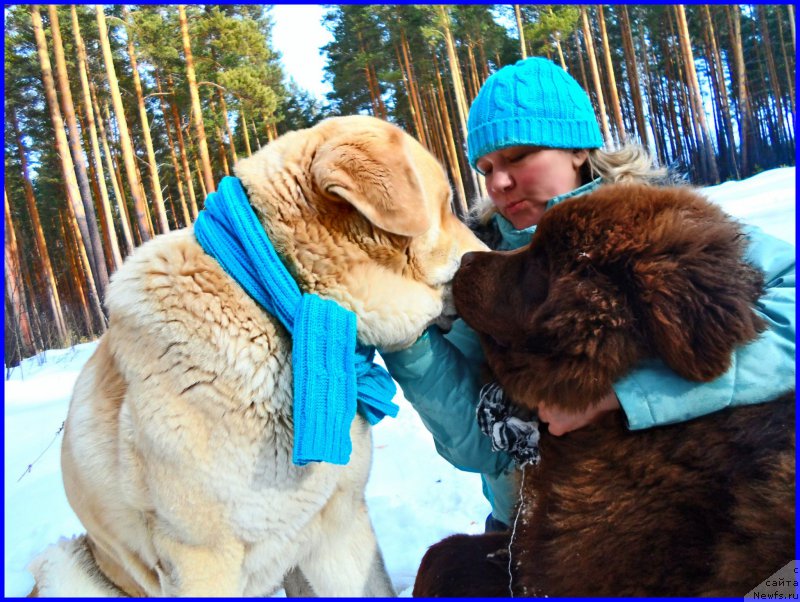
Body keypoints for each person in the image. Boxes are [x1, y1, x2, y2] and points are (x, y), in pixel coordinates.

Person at [380, 57, 796, 532]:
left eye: (518, 155)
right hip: (539, 528)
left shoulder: (659, 227)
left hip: (695, 510)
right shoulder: (477, 272)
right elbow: (479, 446)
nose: (498, 182)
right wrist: (407, 337)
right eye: (486, 167)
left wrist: (629, 394)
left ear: (577, 149)